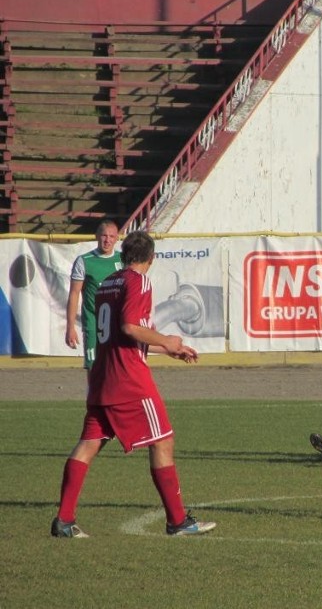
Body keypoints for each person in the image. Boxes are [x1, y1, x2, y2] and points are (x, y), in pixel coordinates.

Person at [51, 231, 216, 538]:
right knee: (162, 440)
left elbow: (122, 336)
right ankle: (177, 521)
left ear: (123, 253)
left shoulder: (108, 283)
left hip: (102, 376)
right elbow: (130, 327)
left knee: (88, 445)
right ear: (150, 259)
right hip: (128, 379)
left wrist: (170, 349)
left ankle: (63, 520)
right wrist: (167, 339)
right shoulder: (138, 282)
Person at [65, 219, 123, 369]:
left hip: (117, 322)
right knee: (94, 366)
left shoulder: (123, 260)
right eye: (104, 235)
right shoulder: (84, 261)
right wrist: (70, 327)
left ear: (117, 238)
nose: (107, 240)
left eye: (111, 236)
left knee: (116, 365)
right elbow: (74, 294)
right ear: (97, 236)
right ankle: (94, 393)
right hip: (93, 320)